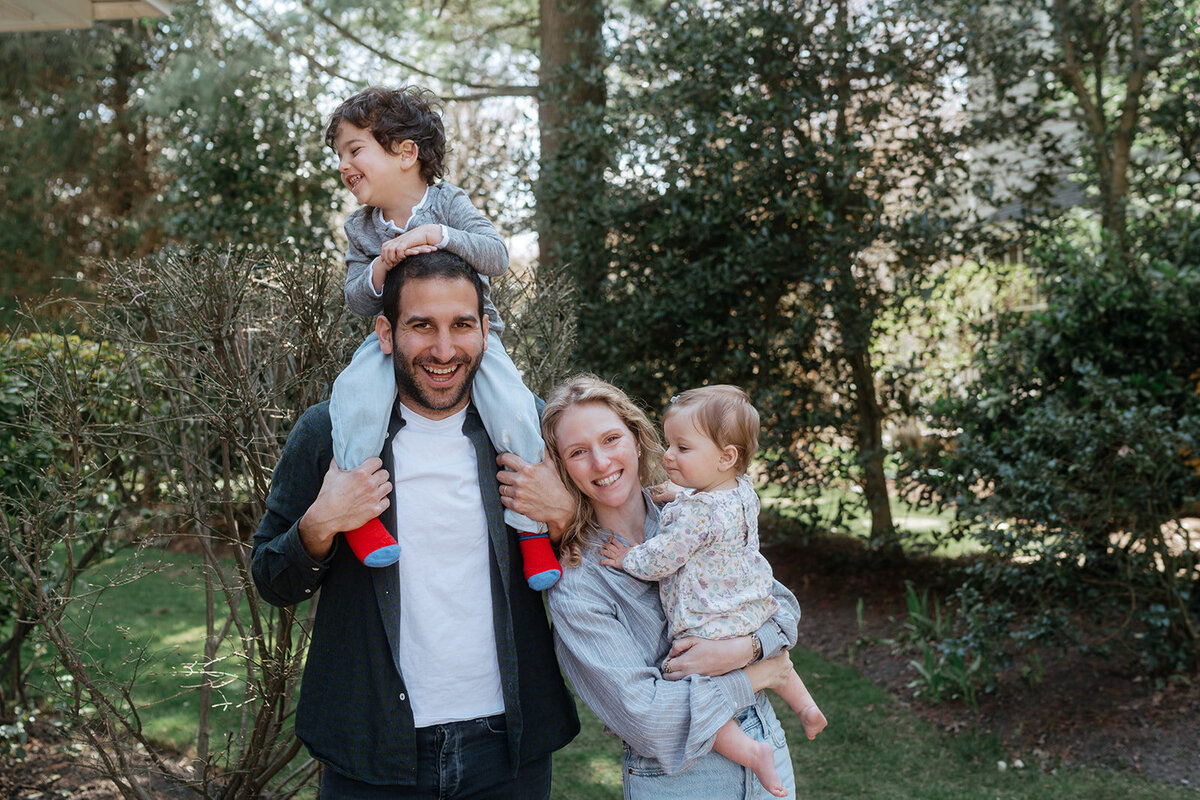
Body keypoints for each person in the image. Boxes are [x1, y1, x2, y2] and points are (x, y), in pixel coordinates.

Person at [251, 251, 579, 798]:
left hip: (509, 751)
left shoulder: (531, 432)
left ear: (485, 332)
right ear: (386, 332)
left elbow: (618, 563)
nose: (444, 350)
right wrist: (320, 524)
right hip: (372, 748)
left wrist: (564, 515)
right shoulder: (330, 432)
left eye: (462, 326)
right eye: (422, 325)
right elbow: (271, 579)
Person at [495, 374, 806, 799]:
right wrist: (756, 674)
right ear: (562, 467)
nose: (602, 463)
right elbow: (648, 720)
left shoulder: (689, 513)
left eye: (610, 439)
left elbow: (781, 608)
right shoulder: (578, 580)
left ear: (637, 438)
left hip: (767, 741)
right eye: (578, 452)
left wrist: (742, 650)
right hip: (682, 778)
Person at [324, 85, 560, 589]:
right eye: (340, 156)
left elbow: (495, 255)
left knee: (515, 409)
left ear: (405, 153)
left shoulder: (447, 203)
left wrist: (440, 237)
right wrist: (379, 272)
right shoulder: (362, 228)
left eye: (354, 150)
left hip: (475, 339)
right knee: (353, 397)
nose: (344, 165)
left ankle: (532, 533)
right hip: (395, 341)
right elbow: (356, 299)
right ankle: (361, 515)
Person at [597, 385, 827, 797]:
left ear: (726, 457)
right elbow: (708, 498)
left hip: (708, 624)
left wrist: (627, 558)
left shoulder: (696, 513)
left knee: (681, 678)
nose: (667, 455)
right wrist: (682, 491)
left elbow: (662, 558)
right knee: (781, 663)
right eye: (668, 444)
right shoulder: (740, 491)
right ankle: (807, 707)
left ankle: (749, 751)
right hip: (751, 610)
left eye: (682, 448)